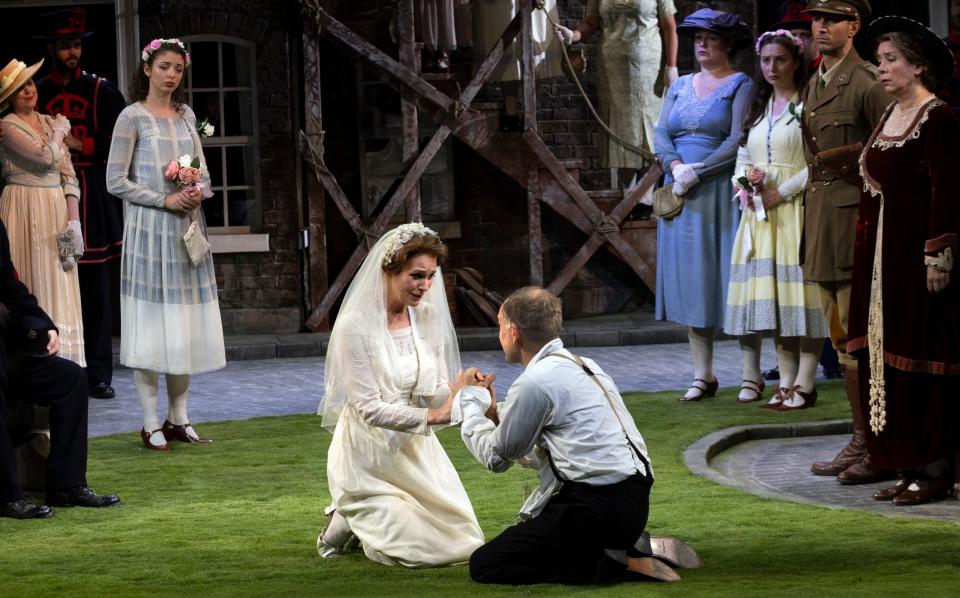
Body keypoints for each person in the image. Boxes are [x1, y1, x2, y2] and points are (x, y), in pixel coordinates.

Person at [448, 287, 701, 585]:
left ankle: (610, 563)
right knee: (549, 528)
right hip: (633, 502)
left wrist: (467, 400)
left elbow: (496, 458)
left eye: (499, 325)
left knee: (486, 564)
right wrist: (491, 411)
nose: (499, 333)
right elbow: (538, 440)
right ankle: (630, 542)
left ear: (513, 332)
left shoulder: (533, 382)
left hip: (594, 510)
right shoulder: (586, 366)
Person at [316, 223, 484, 567]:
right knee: (420, 552)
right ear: (390, 270)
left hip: (415, 450)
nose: (425, 286)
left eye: (431, 276)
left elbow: (434, 390)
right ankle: (350, 511)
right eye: (416, 275)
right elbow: (368, 409)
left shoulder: (426, 318)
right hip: (369, 452)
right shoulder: (355, 326)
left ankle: (351, 512)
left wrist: (462, 390)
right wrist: (433, 417)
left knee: (466, 543)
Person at [847, 16, 960, 506]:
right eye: (881, 60)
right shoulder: (888, 116)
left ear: (919, 66)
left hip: (915, 263)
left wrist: (938, 253)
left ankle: (935, 468)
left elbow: (949, 190)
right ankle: (906, 462)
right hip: (879, 262)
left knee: (920, 361)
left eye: (892, 60)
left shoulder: (938, 118)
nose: (882, 68)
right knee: (885, 362)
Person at [105, 39, 225, 451]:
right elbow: (115, 181)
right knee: (152, 326)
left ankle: (180, 418)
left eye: (178, 68)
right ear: (148, 69)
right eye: (164, 67)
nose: (172, 75)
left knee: (183, 326)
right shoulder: (131, 117)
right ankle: (148, 422)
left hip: (186, 229)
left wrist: (195, 190)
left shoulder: (186, 115)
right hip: (150, 229)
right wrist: (164, 199)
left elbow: (202, 168)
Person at [798, 0, 894, 485]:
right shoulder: (817, 79)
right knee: (842, 340)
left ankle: (874, 442)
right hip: (823, 226)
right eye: (816, 20)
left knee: (861, 341)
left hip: (855, 225)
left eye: (831, 20)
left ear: (854, 26)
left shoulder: (865, 81)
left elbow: (891, 149)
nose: (820, 27)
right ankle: (863, 437)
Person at [725, 30, 829, 407]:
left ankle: (806, 380)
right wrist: (744, 185)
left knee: (802, 298)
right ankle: (784, 380)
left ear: (795, 62)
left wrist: (780, 192)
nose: (772, 67)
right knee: (778, 303)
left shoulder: (808, 103)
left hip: (797, 211)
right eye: (766, 60)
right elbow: (742, 156)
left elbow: (818, 162)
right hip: (760, 216)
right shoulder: (758, 104)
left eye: (780, 59)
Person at [653, 8, 752, 401]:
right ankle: (703, 374)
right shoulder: (679, 85)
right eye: (697, 39)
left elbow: (737, 136)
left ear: (728, 44)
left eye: (711, 39)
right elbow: (662, 132)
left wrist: (701, 169)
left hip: (717, 190)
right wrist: (675, 167)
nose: (703, 46)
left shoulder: (740, 83)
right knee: (691, 281)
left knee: (730, 278)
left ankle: (749, 375)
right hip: (680, 192)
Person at [36, 8, 127, 400]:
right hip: (50, 194)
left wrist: (80, 145)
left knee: (96, 291)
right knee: (53, 284)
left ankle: (100, 375)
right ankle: (59, 371)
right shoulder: (36, 91)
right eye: (65, 46)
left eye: (76, 45)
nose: (72, 52)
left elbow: (122, 143)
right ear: (53, 49)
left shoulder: (100, 90)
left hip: (92, 194)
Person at [0, 220, 119, 519]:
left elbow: (10, 285)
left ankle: (67, 485)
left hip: (7, 352)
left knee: (71, 377)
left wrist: (45, 326)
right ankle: (6, 496)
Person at [0, 58, 86, 367]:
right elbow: (45, 157)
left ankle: (65, 367)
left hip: (55, 209)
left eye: (30, 83)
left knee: (59, 281)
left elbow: (68, 175)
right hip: (24, 206)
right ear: (9, 96)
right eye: (19, 87)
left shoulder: (51, 122)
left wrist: (74, 221)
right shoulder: (7, 127)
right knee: (32, 278)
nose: (28, 90)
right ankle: (33, 367)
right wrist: (61, 133)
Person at [554, 0, 678, 189]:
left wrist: (672, 65)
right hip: (611, 67)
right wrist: (574, 35)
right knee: (620, 127)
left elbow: (669, 27)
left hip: (648, 67)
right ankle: (627, 193)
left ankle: (645, 197)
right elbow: (590, 23)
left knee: (649, 127)